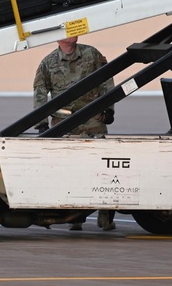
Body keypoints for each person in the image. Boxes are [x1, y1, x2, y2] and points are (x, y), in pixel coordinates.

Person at [33, 35, 116, 231]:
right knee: (70, 171)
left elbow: (107, 80)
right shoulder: (48, 63)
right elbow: (39, 92)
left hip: (93, 120)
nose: (73, 33)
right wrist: (42, 124)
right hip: (64, 124)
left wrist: (109, 109)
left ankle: (105, 217)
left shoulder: (91, 54)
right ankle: (74, 217)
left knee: (102, 168)